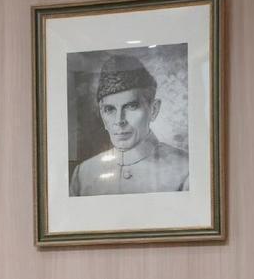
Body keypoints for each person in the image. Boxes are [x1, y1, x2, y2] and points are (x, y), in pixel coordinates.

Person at [69, 52, 190, 196]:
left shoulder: (186, 171)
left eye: (131, 106)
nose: (119, 121)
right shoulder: (83, 175)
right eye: (109, 109)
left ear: (153, 109)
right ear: (102, 114)